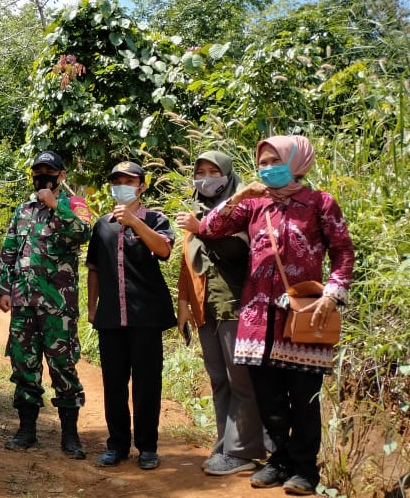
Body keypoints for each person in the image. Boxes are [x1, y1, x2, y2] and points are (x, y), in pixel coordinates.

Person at [198, 136, 354, 495]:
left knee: (302, 397)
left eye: (274, 161)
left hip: (303, 316)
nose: (267, 168)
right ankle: (278, 461)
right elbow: (209, 229)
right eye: (262, 162)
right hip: (256, 317)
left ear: (296, 161)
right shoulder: (254, 205)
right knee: (268, 397)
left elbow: (343, 252)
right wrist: (238, 196)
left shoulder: (320, 204)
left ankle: (304, 470)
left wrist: (333, 293)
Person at [173, 151, 268, 475]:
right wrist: (183, 305)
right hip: (206, 309)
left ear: (227, 175)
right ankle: (225, 445)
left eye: (214, 171)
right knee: (218, 380)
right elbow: (187, 268)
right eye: (200, 171)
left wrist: (201, 228)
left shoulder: (242, 210)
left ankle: (242, 452)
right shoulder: (194, 213)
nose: (206, 176)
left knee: (240, 380)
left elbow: (234, 250)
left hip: (236, 305)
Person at [0, 152, 92, 458]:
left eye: (49, 171)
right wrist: (4, 289)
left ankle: (70, 435)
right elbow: (10, 250)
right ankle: (26, 430)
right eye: (38, 172)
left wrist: (54, 206)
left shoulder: (74, 206)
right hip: (24, 303)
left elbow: (82, 234)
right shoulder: (22, 210)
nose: (42, 177)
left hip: (58, 306)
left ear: (61, 175)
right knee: (24, 366)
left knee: (63, 367)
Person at [86, 161, 176, 470]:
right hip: (111, 317)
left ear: (142, 185)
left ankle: (148, 447)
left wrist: (136, 224)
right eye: (117, 181)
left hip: (146, 316)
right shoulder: (102, 225)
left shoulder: (156, 220)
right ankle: (117, 445)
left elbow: (164, 251)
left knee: (147, 384)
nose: (122, 185)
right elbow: (94, 268)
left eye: (129, 180)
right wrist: (92, 306)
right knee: (113, 383)